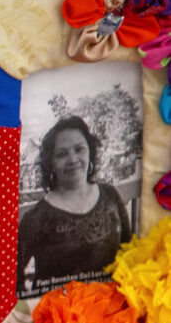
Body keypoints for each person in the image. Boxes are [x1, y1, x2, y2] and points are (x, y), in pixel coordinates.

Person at [17, 115, 131, 297]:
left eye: (79, 149)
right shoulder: (36, 219)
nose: (72, 159)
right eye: (62, 154)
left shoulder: (110, 195)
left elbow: (130, 252)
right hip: (59, 312)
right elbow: (14, 281)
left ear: (90, 152)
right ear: (51, 163)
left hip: (111, 307)